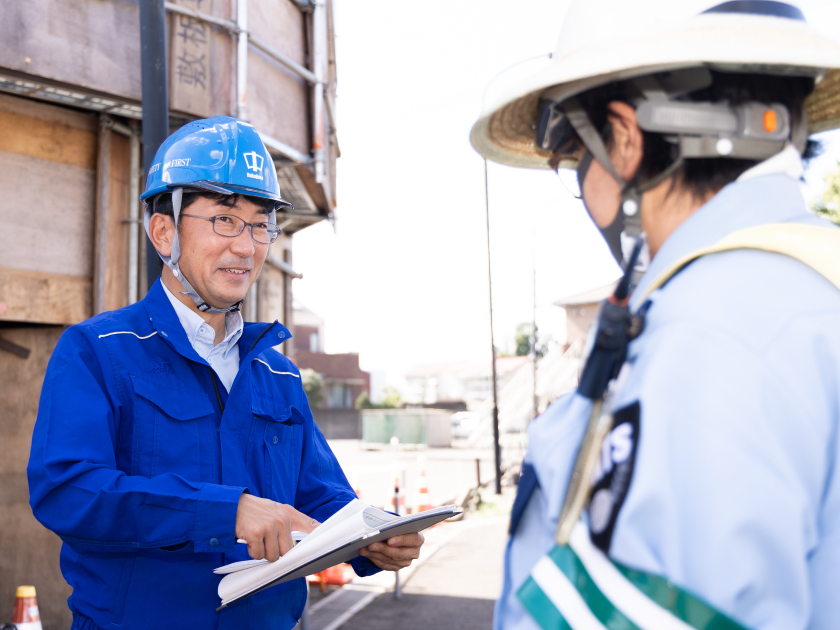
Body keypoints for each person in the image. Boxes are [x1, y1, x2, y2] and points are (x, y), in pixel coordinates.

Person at [471, 1, 840, 629]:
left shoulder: (711, 334)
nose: (582, 187)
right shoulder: (810, 285)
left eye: (572, 158)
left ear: (624, 137)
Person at [27, 117, 423, 630]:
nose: (248, 246)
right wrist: (226, 513)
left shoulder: (276, 372)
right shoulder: (99, 351)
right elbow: (68, 491)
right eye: (225, 220)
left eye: (261, 224)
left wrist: (375, 538)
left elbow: (320, 497)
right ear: (164, 231)